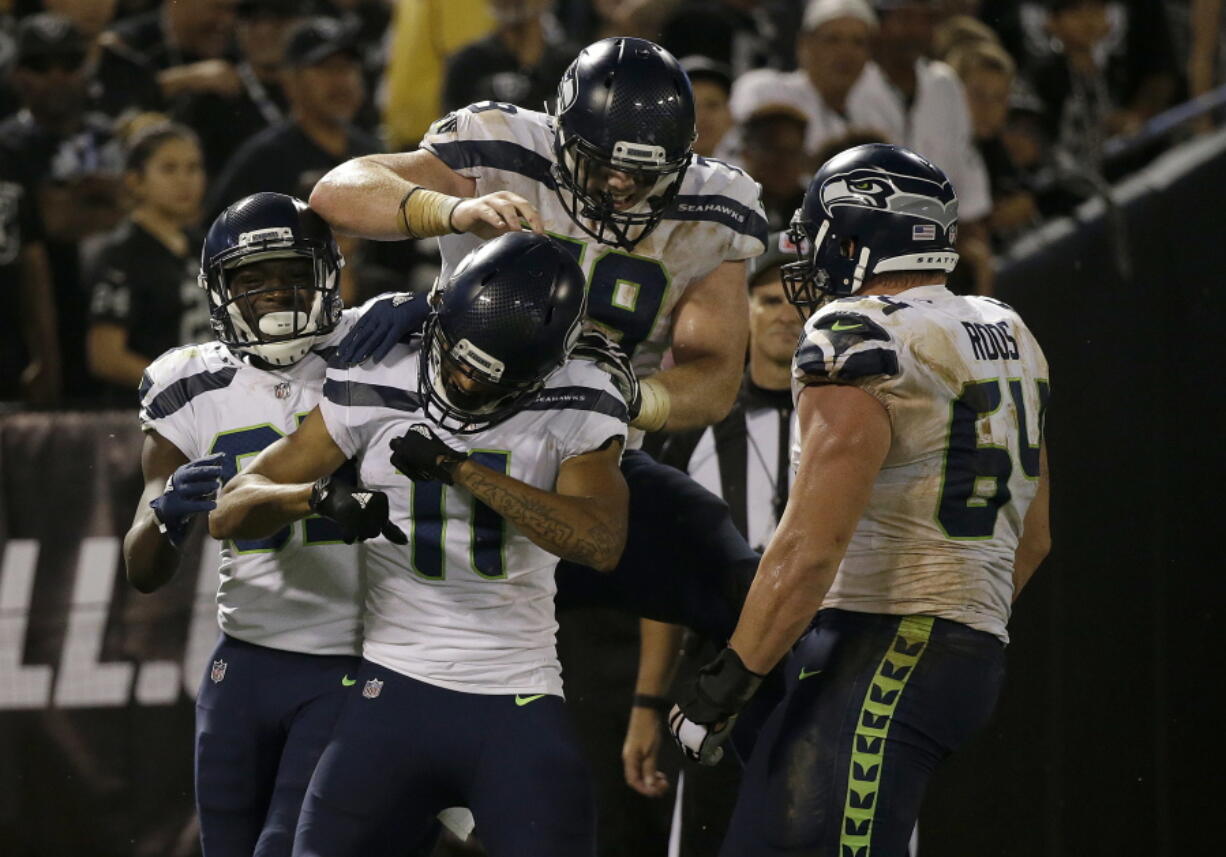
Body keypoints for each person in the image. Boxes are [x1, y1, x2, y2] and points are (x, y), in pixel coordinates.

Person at [310, 36, 767, 642]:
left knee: (734, 580)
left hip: (589, 447)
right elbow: (336, 193)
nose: (621, 187)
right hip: (459, 418)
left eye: (644, 172)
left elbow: (715, 379)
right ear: (561, 133)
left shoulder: (715, 204)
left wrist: (632, 399)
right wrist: (449, 211)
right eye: (604, 162)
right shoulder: (503, 144)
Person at [669, 144, 1052, 857]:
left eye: (816, 238)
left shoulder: (858, 337)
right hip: (951, 647)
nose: (809, 261)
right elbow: (1032, 539)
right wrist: (961, 625)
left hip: (883, 642)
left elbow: (810, 547)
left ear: (854, 239)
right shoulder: (1007, 329)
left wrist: (728, 678)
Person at [209, 231, 632, 857]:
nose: (459, 383)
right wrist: (315, 500)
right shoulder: (381, 370)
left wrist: (459, 468)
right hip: (391, 688)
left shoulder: (580, 397)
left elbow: (600, 543)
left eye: (483, 379)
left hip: (515, 691)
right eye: (454, 361)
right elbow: (229, 510)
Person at [123, 192, 425, 857]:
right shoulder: (188, 382)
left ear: (328, 272)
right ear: (217, 289)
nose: (276, 292)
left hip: (357, 656)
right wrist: (164, 516)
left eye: (292, 271)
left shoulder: (380, 347)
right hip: (245, 661)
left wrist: (437, 308)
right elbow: (143, 570)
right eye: (251, 278)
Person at [625, 237, 804, 857]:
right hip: (716, 671)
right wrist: (648, 701)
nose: (786, 313)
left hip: (826, 664)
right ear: (746, 310)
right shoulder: (691, 431)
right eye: (769, 298)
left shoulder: (855, 415)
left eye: (799, 300)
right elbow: (663, 583)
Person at [87, 121, 211, 399]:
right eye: (169, 169)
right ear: (135, 181)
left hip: (204, 415)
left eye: (194, 168)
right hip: (141, 419)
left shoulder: (204, 245)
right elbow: (105, 356)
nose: (185, 180)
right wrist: (180, 388)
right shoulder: (122, 254)